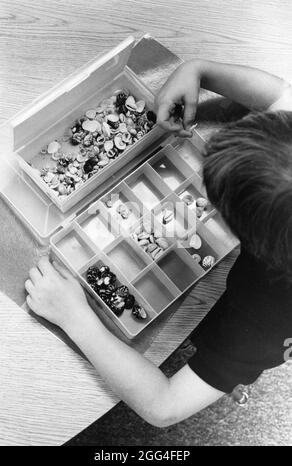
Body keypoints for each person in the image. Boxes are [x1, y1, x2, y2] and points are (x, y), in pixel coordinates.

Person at [25, 60, 292, 428]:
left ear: (252, 240)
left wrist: (76, 318)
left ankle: (226, 378)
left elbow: (164, 406)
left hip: (254, 324)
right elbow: (279, 94)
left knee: (219, 344)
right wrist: (200, 71)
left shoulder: (266, 319)